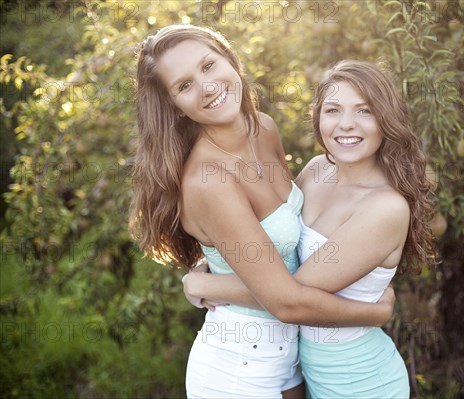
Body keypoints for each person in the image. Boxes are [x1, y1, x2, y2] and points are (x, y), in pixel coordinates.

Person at [128, 25, 396, 399]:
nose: (207, 87)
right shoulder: (210, 180)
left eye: (208, 66)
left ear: (229, 59)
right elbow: (284, 299)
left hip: (292, 359)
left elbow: (297, 242)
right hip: (238, 369)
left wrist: (206, 281)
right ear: (173, 104)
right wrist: (374, 313)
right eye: (184, 86)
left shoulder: (264, 129)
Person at [184, 60, 436, 398]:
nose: (346, 124)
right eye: (333, 110)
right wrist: (210, 261)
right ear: (318, 119)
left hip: (361, 382)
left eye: (364, 111)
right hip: (306, 372)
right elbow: (275, 238)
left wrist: (205, 284)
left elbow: (289, 295)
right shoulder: (317, 171)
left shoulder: (385, 208)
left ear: (385, 120)